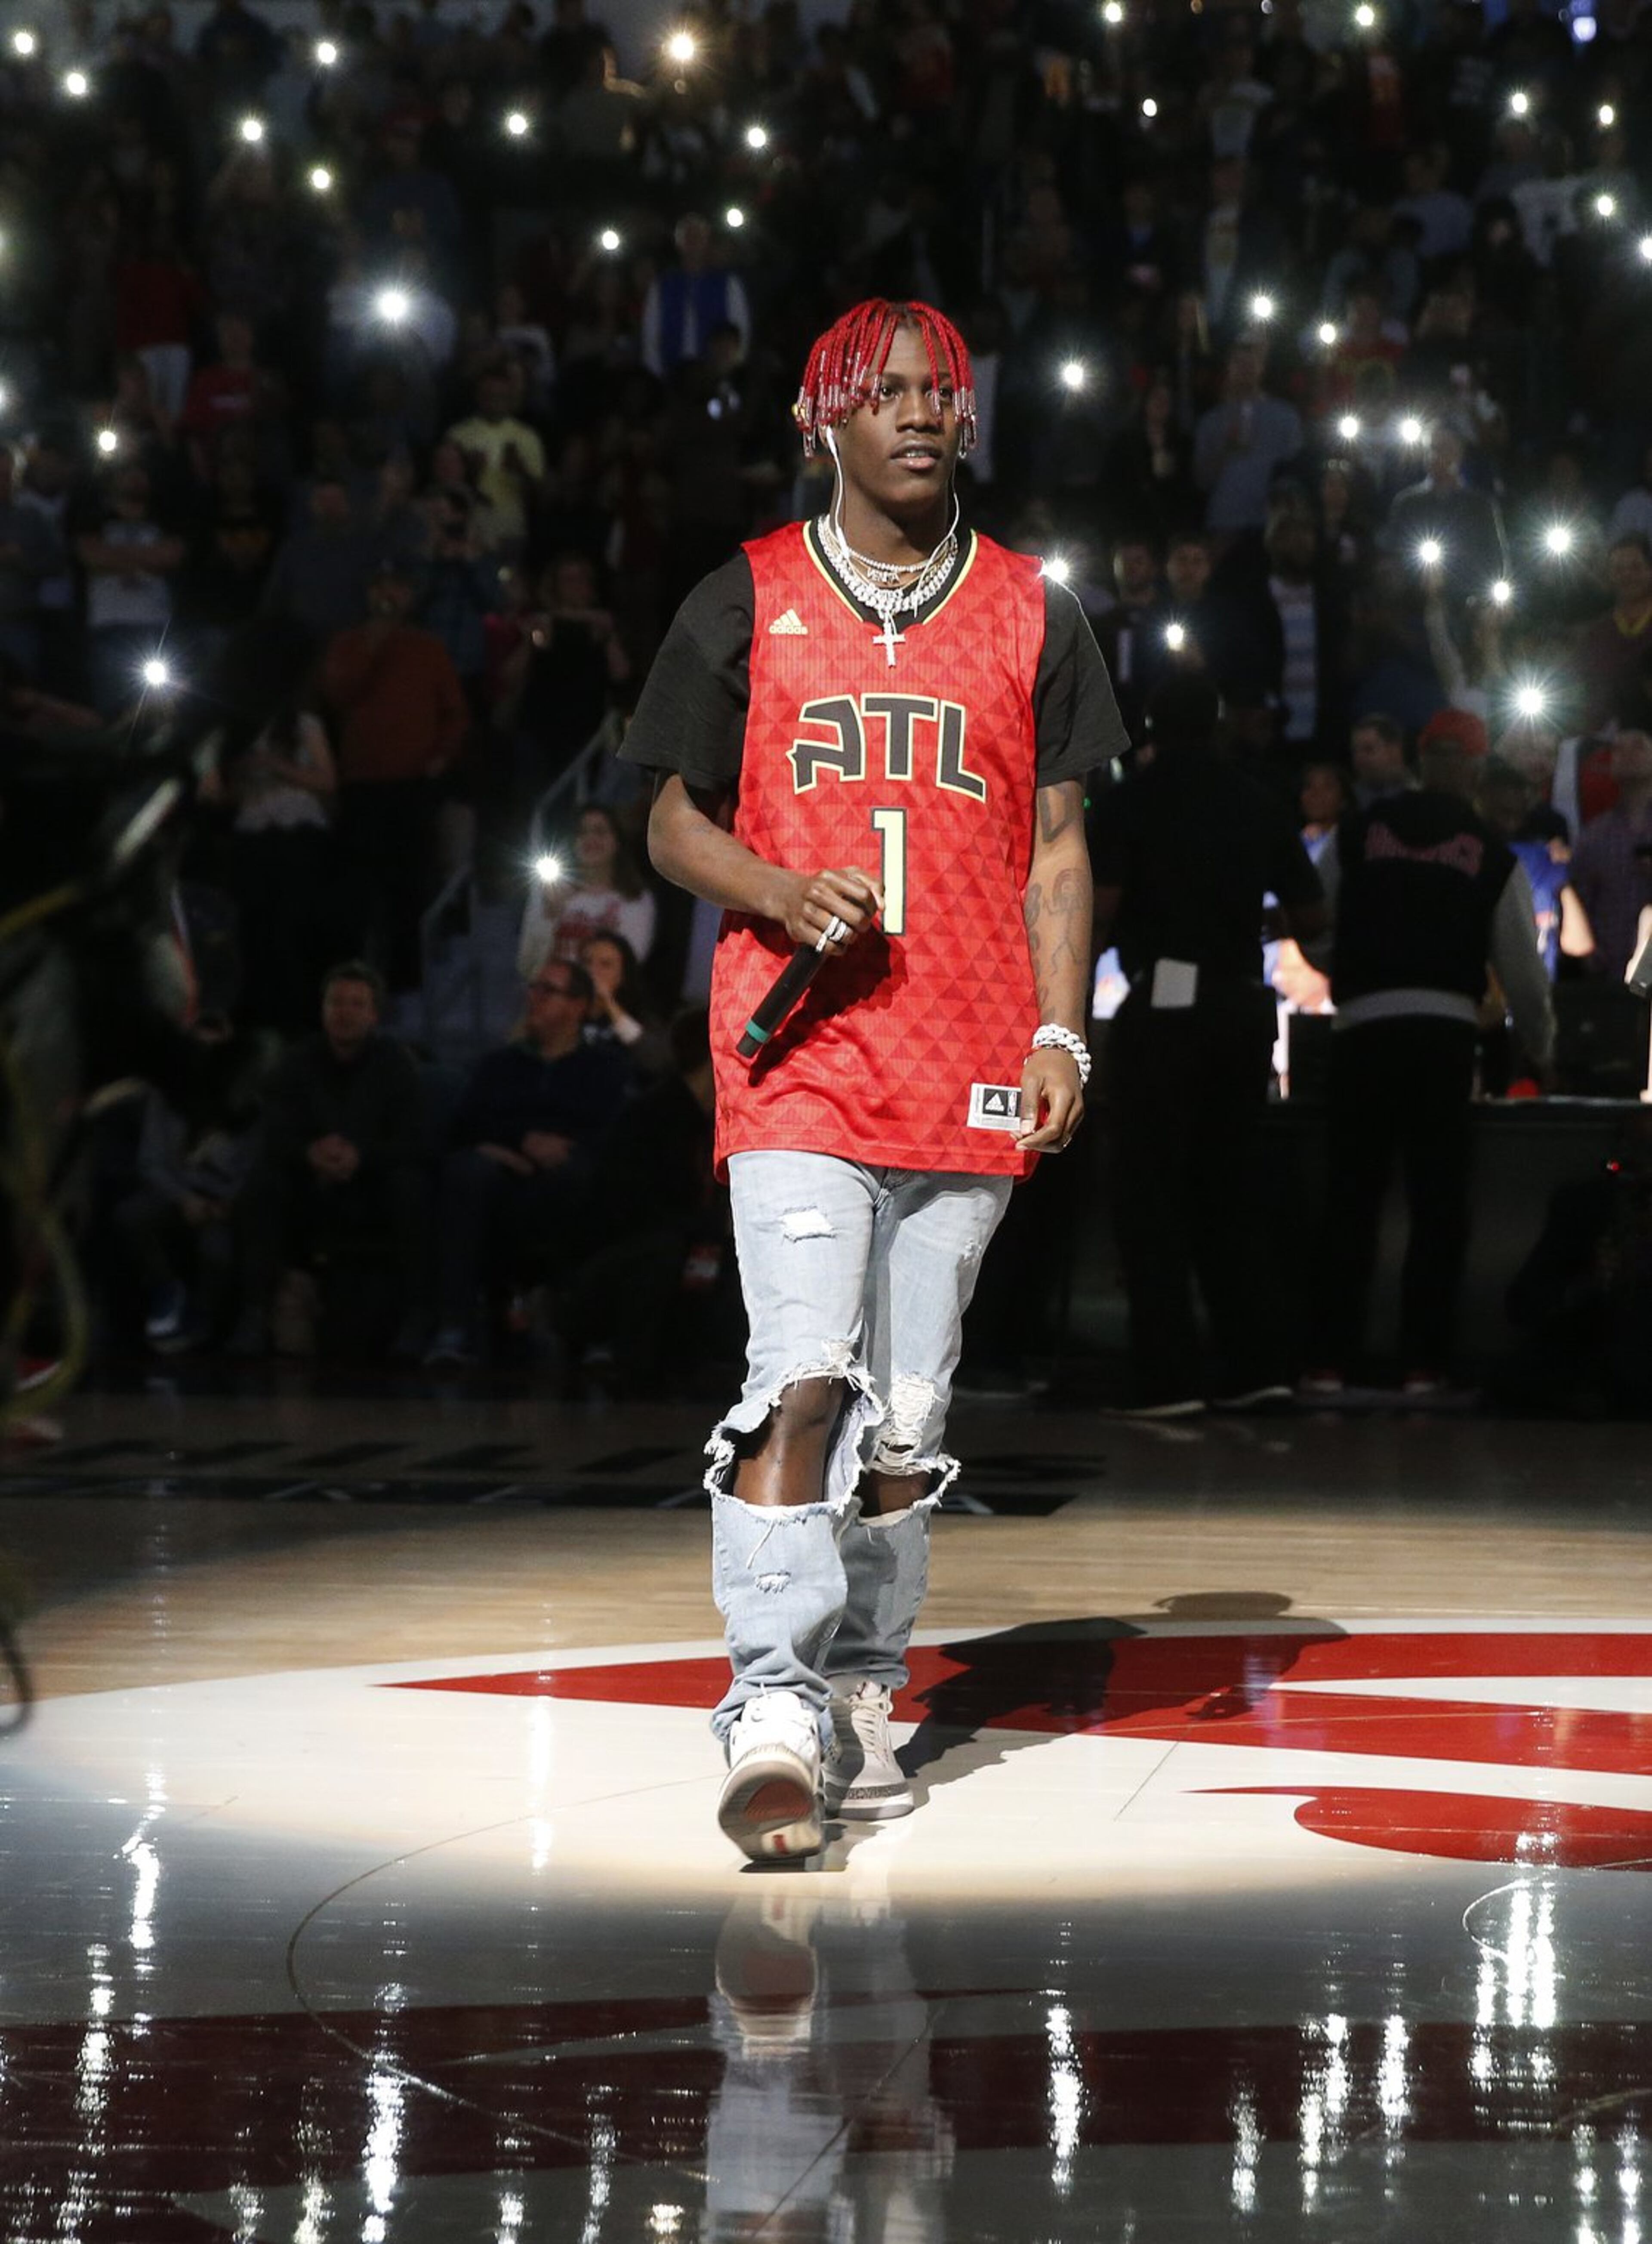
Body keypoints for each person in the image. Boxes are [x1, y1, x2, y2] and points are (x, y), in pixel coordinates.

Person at [622, 298, 1122, 1861]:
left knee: (909, 1413)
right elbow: (664, 824)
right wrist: (773, 890)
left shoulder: (1036, 608)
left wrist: (1061, 1032)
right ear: (821, 417)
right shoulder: (747, 597)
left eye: (944, 393)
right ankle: (769, 1700)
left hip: (969, 1051)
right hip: (800, 1055)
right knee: (802, 1370)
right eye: (888, 392)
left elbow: (1058, 851)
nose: (922, 413)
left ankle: (863, 1680)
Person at [1091, 673, 1327, 1415]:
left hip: (1164, 1005)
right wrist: (1258, 931)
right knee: (1231, 1187)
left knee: (1151, 1190)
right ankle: (1256, 1366)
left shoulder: (1131, 801)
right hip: (1240, 1003)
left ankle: (1168, 1377)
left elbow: (1100, 911)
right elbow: (1312, 915)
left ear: (1150, 725)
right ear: (1220, 721)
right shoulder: (1257, 797)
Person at [1307, 713, 1555, 1395]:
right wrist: (1543, 1047)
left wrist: (1344, 969)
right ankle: (1424, 1362)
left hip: (1362, 1027)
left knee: (1350, 1200)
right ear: (1477, 769)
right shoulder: (1489, 846)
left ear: (1418, 753)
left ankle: (1329, 1358)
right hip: (1445, 1033)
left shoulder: (1357, 834)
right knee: (1438, 1204)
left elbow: (1315, 922)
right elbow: (1522, 968)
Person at [424, 958, 632, 1364]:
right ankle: (455, 1328)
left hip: (571, 1169)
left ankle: (586, 1330)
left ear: (578, 1006)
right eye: (534, 988)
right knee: (467, 1173)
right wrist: (516, 1143)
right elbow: (468, 1123)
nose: (533, 998)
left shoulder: (603, 1068)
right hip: (503, 1170)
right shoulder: (500, 1065)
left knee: (588, 1182)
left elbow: (613, 1131)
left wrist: (565, 1147)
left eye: (548, 991)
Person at [229, 963, 427, 1359]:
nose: (345, 1012)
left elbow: (412, 1137)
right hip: (308, 1180)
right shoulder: (297, 1061)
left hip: (371, 1181)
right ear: (322, 1009)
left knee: (411, 1186)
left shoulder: (396, 1064)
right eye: (336, 1002)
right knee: (262, 1184)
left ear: (374, 1014)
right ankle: (254, 1310)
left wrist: (361, 1155)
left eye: (357, 1004)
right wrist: (310, 1153)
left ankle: (418, 1316)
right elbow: (276, 1130)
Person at [518, 803, 656, 975]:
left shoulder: (636, 898)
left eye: (600, 831)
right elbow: (528, 966)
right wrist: (550, 915)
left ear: (617, 841)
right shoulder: (548, 892)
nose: (590, 839)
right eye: (582, 832)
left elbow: (629, 966)